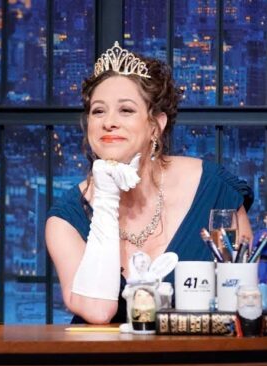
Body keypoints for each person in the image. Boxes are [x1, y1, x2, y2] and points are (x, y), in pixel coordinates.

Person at [46, 42, 253, 324]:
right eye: (98, 111)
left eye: (126, 110)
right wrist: (106, 197)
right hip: (105, 353)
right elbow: (98, 312)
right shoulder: (65, 220)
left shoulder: (215, 190)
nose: (109, 122)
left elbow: (242, 304)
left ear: (156, 125)